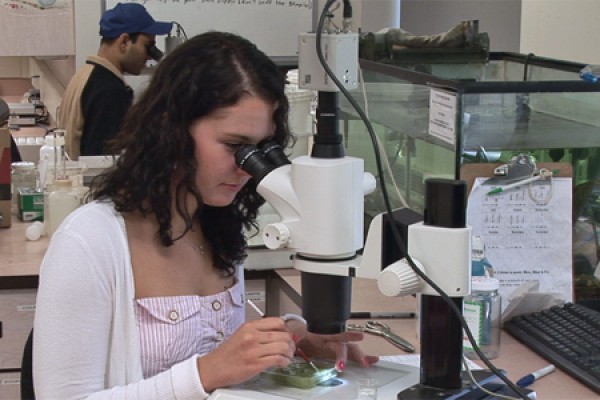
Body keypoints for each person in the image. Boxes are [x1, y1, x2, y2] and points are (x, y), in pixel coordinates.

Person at [33, 31, 379, 399]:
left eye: (261, 149)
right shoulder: (89, 243)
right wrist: (203, 374)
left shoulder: (216, 225)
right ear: (171, 127)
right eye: (234, 146)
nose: (248, 168)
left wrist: (292, 342)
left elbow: (210, 346)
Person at [58, 2, 173, 160]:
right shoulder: (109, 90)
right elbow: (103, 161)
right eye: (148, 46)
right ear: (125, 42)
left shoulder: (85, 76)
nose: (149, 56)